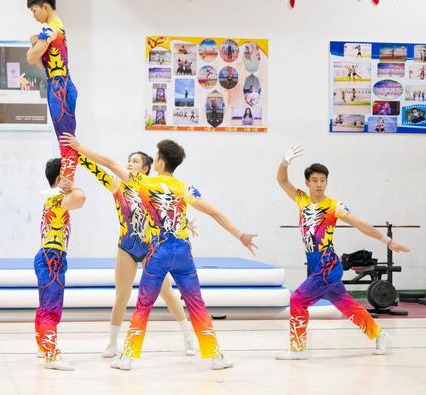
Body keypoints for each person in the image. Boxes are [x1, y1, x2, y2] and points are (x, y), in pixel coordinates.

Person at [60, 134, 258, 371]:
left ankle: (127, 357)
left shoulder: (144, 183)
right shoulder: (185, 188)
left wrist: (79, 147)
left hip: (158, 251)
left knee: (144, 304)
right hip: (183, 252)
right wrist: (240, 235)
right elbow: (214, 212)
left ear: (161, 162)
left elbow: (110, 164)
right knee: (196, 303)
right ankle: (216, 356)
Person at [275, 146, 410, 360]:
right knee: (347, 306)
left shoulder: (334, 206)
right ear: (307, 183)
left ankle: (298, 349)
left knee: (297, 299)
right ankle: (379, 334)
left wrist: (387, 240)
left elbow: (360, 224)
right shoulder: (301, 200)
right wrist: (284, 163)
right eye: (315, 180)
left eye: (323, 180)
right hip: (316, 265)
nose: (319, 184)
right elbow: (282, 181)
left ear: (327, 182)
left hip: (328, 266)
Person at [79, 153, 197, 358]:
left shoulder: (151, 188)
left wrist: (185, 224)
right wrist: (79, 155)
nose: (129, 163)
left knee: (167, 293)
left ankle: (188, 337)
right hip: (126, 247)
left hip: (151, 248)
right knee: (121, 296)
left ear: (145, 169)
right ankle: (112, 344)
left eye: (135, 161)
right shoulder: (117, 184)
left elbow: (167, 211)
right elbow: (96, 169)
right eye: (129, 160)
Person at [34, 158, 86, 371]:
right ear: (59, 178)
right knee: (51, 308)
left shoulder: (53, 198)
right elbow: (81, 198)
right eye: (69, 174)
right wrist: (71, 186)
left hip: (50, 256)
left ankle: (43, 346)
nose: (73, 178)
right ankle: (51, 356)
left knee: (45, 306)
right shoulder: (56, 198)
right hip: (51, 258)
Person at [26, 0, 78, 195]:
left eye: (34, 10)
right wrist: (35, 44)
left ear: (45, 7)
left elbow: (31, 58)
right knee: (64, 139)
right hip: (58, 86)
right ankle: (66, 181)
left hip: (60, 88)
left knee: (66, 140)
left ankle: (66, 183)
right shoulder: (55, 28)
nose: (34, 15)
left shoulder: (51, 29)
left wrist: (34, 43)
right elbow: (40, 63)